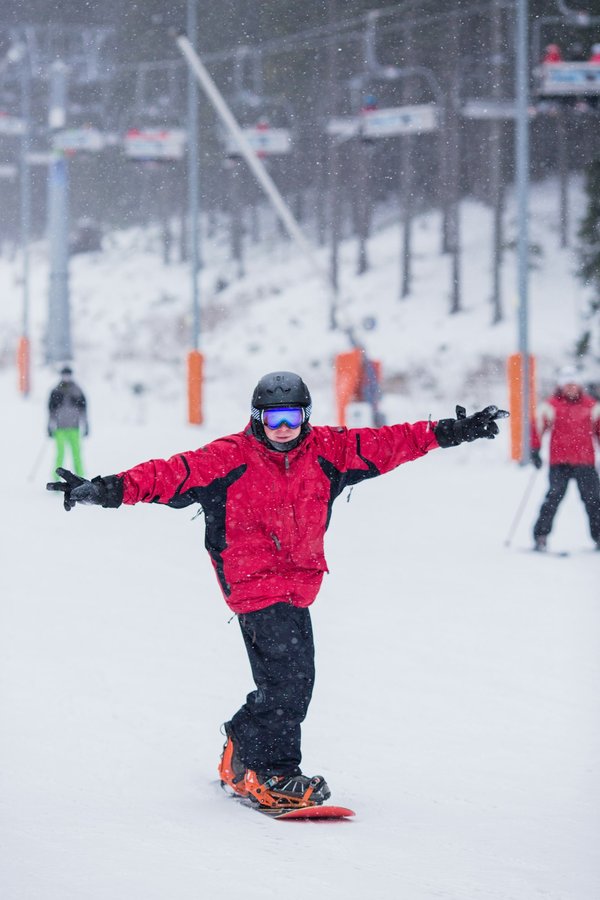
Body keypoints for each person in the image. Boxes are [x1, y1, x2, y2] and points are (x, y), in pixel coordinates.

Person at [47, 371, 508, 810]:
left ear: (306, 417)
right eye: (273, 419)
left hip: (297, 585)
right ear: (257, 418)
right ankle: (273, 772)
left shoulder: (329, 450)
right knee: (289, 682)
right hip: (252, 583)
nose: (283, 429)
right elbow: (167, 474)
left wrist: (452, 431)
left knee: (289, 682)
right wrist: (104, 489)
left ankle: (243, 749)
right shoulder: (228, 457)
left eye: (292, 418)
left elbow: (390, 443)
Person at [531, 366, 600, 551]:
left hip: (585, 462)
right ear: (561, 386)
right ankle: (540, 537)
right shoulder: (551, 405)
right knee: (553, 498)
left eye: (574, 384)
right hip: (559, 462)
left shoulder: (592, 405)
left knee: (594, 500)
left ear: (579, 386)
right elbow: (537, 427)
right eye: (567, 385)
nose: (571, 388)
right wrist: (535, 450)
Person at [48, 366, 89, 480]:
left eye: (68, 374)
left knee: (76, 453)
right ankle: (56, 478)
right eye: (64, 374)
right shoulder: (56, 390)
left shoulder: (77, 390)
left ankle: (80, 478)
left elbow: (83, 408)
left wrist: (86, 424)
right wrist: (49, 425)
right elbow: (51, 410)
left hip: (74, 427)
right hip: (60, 428)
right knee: (60, 454)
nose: (66, 377)